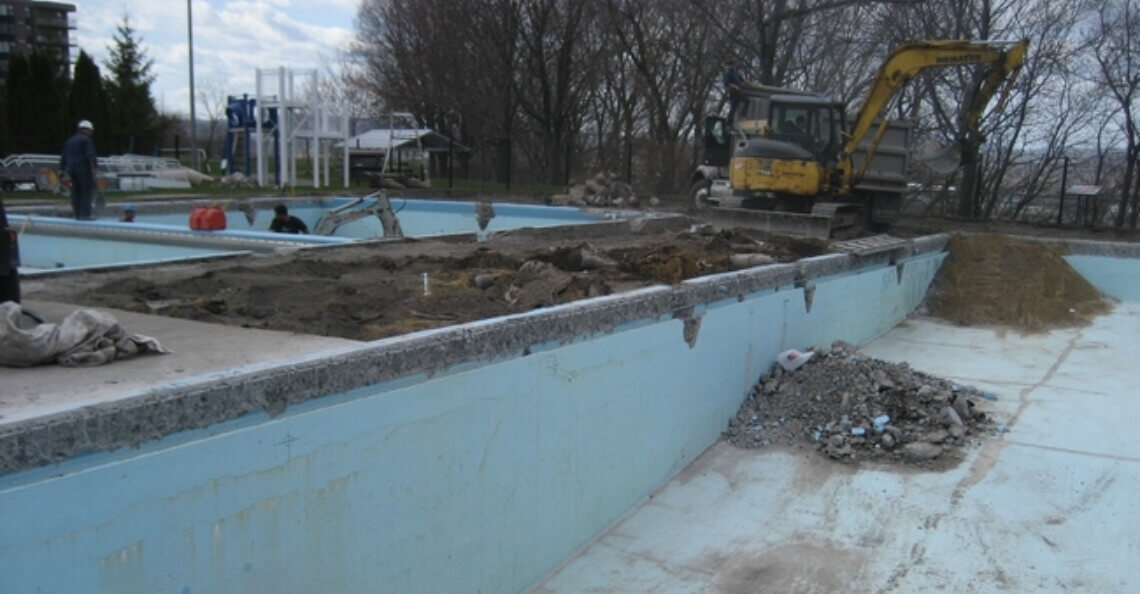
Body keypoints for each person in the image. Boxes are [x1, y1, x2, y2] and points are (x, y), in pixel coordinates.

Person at [60, 120, 98, 220]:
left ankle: (77, 214)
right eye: (91, 131)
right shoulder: (86, 140)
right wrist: (93, 168)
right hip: (83, 169)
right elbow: (90, 155)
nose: (91, 134)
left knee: (76, 191)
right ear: (87, 130)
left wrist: (61, 170)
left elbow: (63, 157)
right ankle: (86, 215)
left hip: (71, 169)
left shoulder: (69, 140)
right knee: (86, 191)